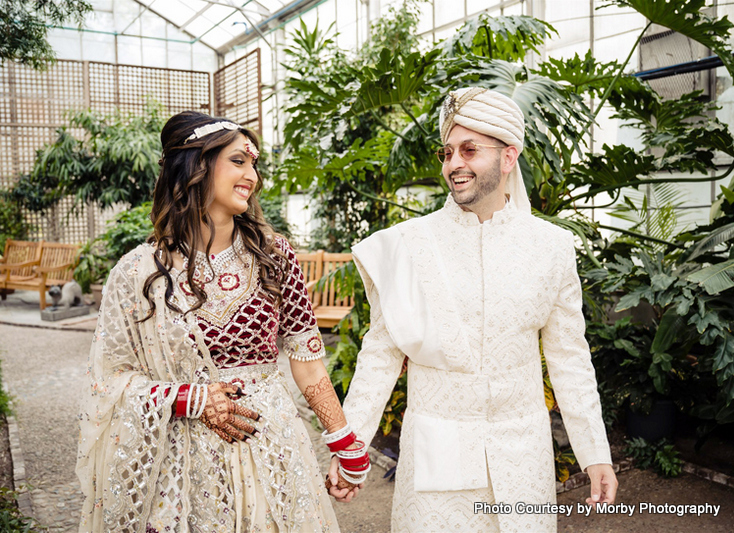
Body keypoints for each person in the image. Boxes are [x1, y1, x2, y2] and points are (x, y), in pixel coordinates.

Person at [333, 87, 618, 532]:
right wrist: (349, 447)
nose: (454, 165)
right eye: (448, 152)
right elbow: (381, 354)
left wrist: (595, 452)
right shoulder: (408, 244)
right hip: (436, 465)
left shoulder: (552, 247)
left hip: (523, 460)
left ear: (509, 157)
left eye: (470, 150)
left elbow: (570, 358)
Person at [76, 112, 369, 533]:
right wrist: (188, 399)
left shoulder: (274, 255)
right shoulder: (138, 272)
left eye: (254, 163)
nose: (253, 174)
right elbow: (109, 380)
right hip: (183, 467)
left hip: (275, 454)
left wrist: (343, 442)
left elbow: (307, 357)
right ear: (196, 166)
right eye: (238, 161)